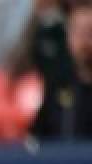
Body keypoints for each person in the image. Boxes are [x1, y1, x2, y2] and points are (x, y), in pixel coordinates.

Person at [31, 0, 92, 141]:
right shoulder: (58, 85)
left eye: (90, 33)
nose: (84, 42)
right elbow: (36, 138)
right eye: (79, 33)